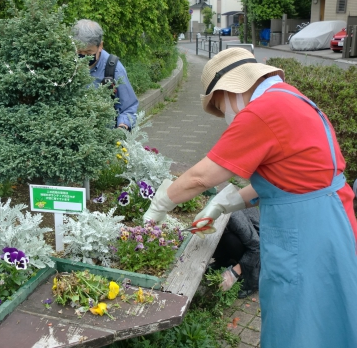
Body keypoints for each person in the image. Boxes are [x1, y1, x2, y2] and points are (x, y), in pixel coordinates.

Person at [143, 48, 357, 347]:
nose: (226, 117)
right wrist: (220, 206)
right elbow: (284, 177)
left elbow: (200, 177)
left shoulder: (261, 111)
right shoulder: (290, 97)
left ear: (232, 89)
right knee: (331, 312)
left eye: (221, 106)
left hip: (305, 232)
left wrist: (157, 208)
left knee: (297, 321)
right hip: (332, 218)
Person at [72, 19, 138, 131]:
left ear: (100, 46)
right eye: (79, 52)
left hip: (103, 136)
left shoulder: (114, 69)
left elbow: (129, 108)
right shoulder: (66, 63)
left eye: (88, 53)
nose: (84, 57)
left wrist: (122, 128)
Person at [210, 207, 260, 299]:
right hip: (243, 234)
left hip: (262, 246)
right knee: (217, 237)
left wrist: (233, 274)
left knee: (231, 240)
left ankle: (252, 281)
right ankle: (225, 261)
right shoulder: (211, 214)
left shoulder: (235, 219)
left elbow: (257, 247)